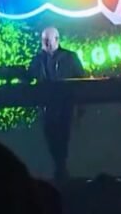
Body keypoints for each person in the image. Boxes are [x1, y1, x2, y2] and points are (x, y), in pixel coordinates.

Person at [27, 27, 85, 180]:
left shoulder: (70, 57)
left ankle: (61, 169)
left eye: (48, 40)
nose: (45, 43)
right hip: (47, 107)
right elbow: (29, 77)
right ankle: (60, 169)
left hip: (65, 105)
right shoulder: (37, 59)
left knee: (63, 136)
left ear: (57, 40)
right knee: (51, 136)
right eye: (43, 40)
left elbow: (82, 80)